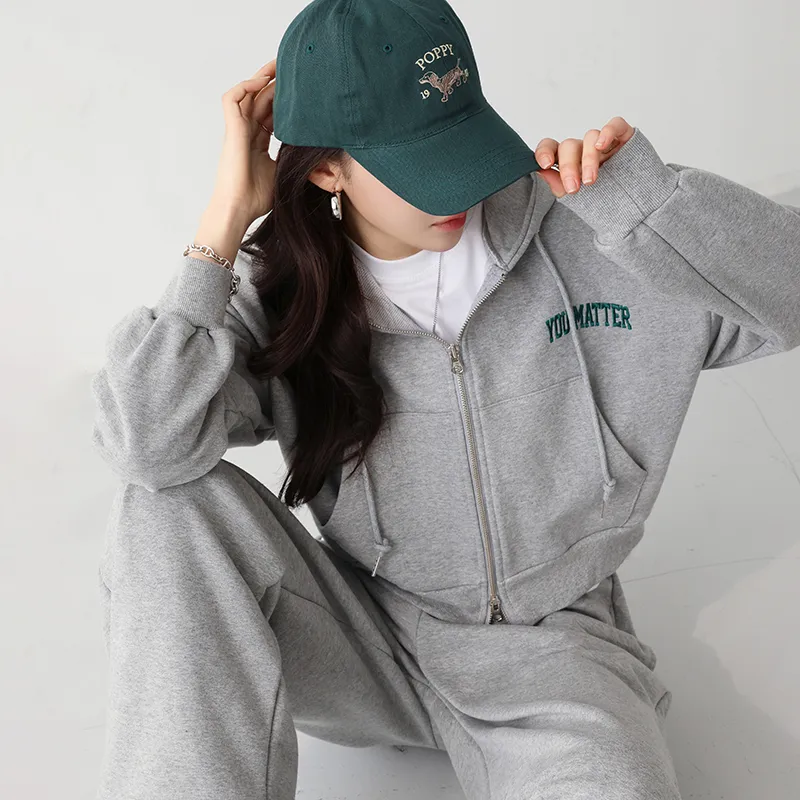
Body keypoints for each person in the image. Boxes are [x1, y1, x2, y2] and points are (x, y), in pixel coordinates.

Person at [89, 1, 800, 798]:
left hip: (553, 661)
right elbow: (144, 445)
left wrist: (657, 209)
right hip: (362, 639)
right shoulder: (283, 287)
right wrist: (222, 223)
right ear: (326, 169)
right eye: (415, 164)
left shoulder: (600, 237)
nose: (457, 185)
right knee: (162, 505)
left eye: (459, 141)